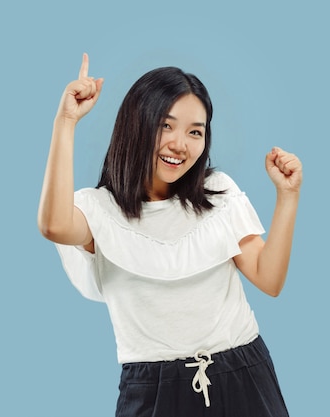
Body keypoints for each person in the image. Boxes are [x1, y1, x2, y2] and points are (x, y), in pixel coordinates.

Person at [38, 53, 303, 417]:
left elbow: (269, 279)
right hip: (154, 389)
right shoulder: (99, 210)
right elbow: (53, 224)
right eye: (166, 125)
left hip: (244, 374)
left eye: (195, 131)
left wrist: (288, 197)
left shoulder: (217, 193)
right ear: (137, 124)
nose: (181, 143)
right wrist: (66, 121)